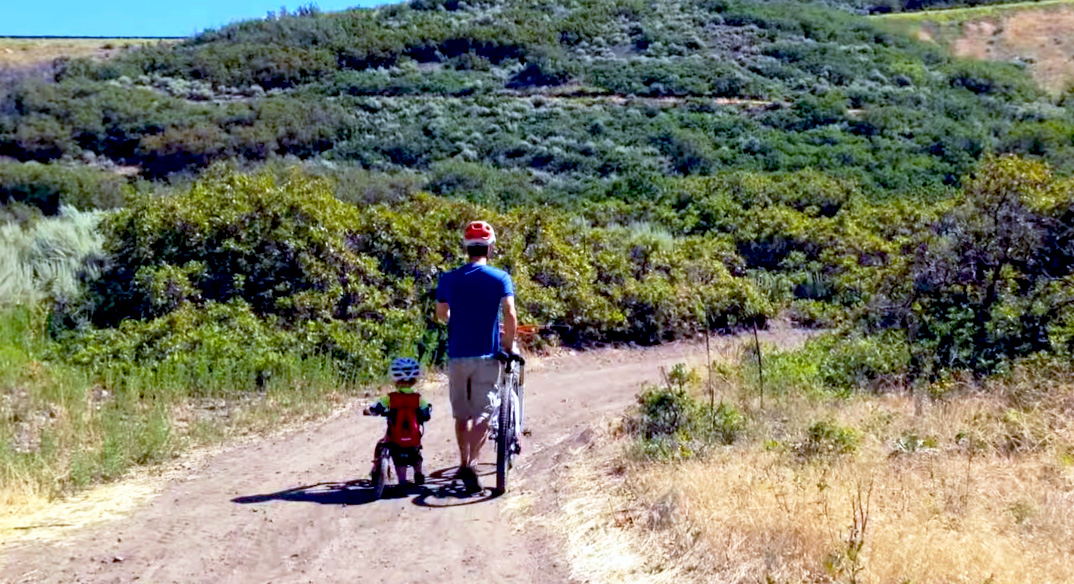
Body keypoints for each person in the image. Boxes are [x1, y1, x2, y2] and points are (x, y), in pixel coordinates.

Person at [436, 220, 517, 493]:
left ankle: (463, 461)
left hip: (458, 354)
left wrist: (457, 320)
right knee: (483, 413)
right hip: (487, 355)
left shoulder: (447, 279)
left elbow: (442, 315)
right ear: (490, 247)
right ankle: (472, 463)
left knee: (462, 414)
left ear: (466, 248)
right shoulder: (500, 278)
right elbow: (510, 313)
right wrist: (506, 344)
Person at [364, 357, 432, 486]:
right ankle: (418, 473)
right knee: (416, 454)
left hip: (395, 436)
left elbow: (377, 407)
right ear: (415, 380)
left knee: (398, 459)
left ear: (395, 380)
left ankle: (402, 481)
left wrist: (370, 411)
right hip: (413, 437)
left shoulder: (390, 398)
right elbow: (426, 414)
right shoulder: (418, 399)